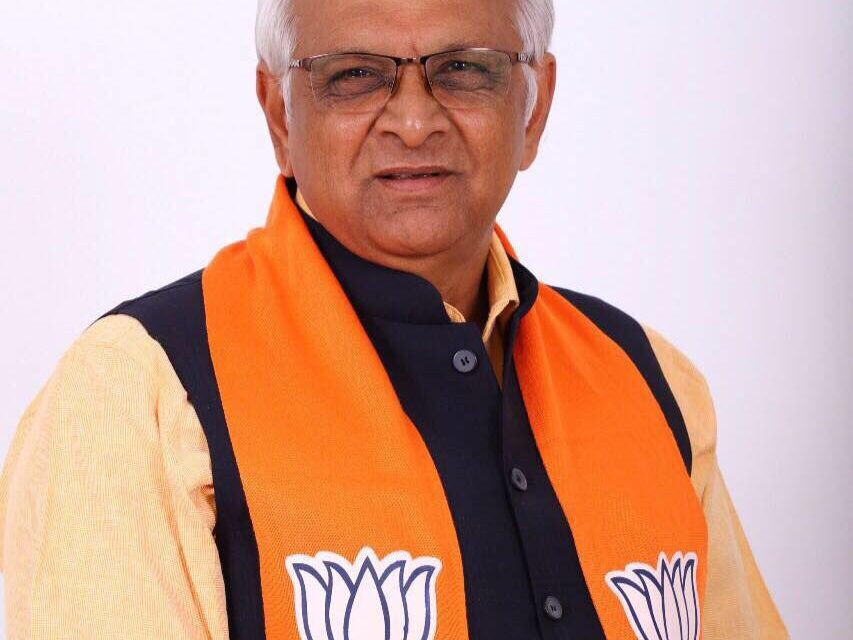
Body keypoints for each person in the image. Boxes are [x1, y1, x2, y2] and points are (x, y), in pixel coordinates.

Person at [0, 1, 789, 638]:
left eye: (464, 69)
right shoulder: (142, 391)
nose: (413, 122)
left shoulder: (648, 379)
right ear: (279, 115)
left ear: (534, 107)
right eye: (353, 76)